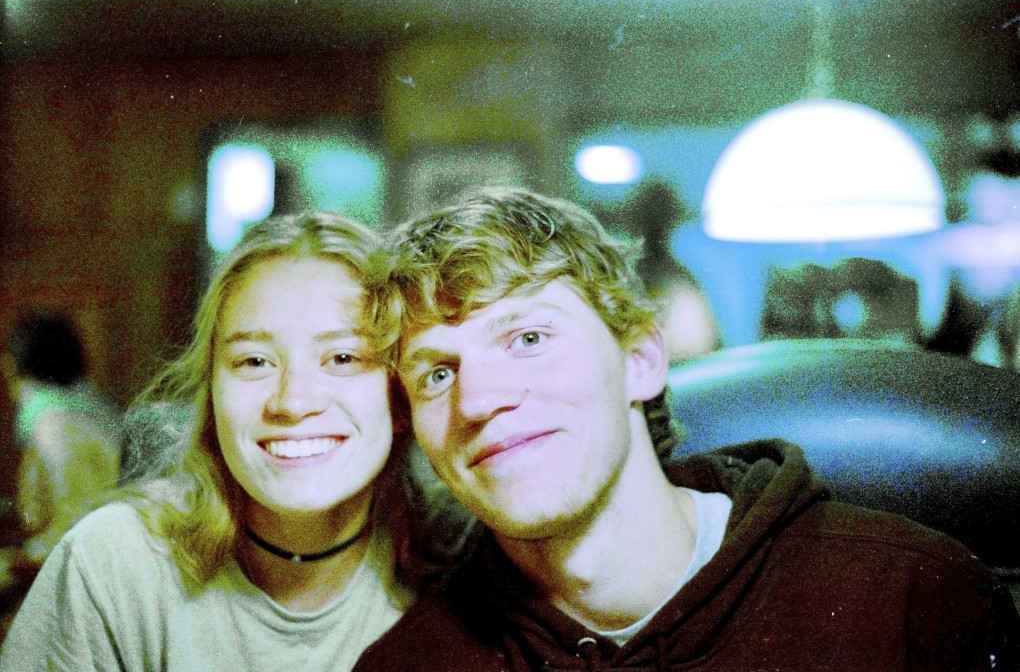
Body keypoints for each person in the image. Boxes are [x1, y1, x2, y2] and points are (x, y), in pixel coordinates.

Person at [355, 187, 1020, 671]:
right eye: (436, 375)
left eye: (528, 338)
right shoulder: (411, 665)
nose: (479, 400)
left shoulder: (912, 601)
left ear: (641, 361)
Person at [0, 212, 418, 670]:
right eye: (255, 361)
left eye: (342, 357)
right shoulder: (112, 565)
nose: (293, 401)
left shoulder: (458, 575)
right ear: (212, 394)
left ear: (402, 396)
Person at [0, 312, 123, 625]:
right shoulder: (86, 406)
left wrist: (20, 562)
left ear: (16, 365)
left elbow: (79, 519)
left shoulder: (56, 422)